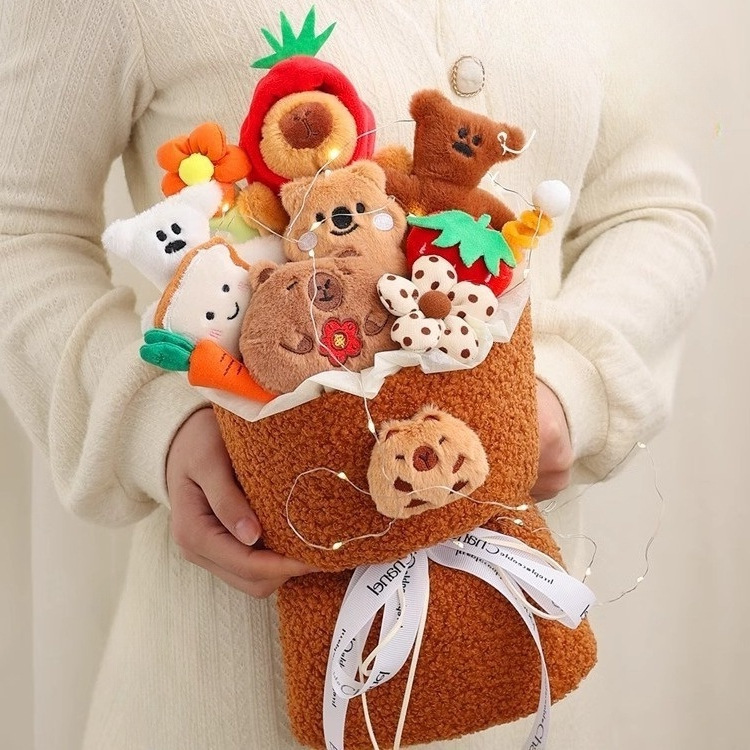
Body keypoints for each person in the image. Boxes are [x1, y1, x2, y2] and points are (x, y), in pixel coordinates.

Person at [0, 1, 713, 748]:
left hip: (527, 665)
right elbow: (20, 228)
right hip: (231, 686)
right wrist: (159, 425)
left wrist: (570, 385)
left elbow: (652, 207)